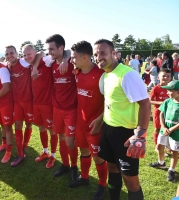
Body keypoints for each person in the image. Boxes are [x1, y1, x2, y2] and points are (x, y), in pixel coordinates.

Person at [93, 39, 150, 200]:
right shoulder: (105, 75)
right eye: (96, 54)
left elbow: (145, 104)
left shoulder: (127, 74)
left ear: (114, 53)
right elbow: (110, 102)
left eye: (102, 53)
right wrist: (100, 120)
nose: (98, 57)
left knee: (131, 181)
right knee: (112, 168)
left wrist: (140, 134)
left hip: (126, 134)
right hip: (109, 130)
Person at [70, 41, 107, 199]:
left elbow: (110, 100)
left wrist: (100, 120)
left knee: (98, 156)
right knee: (83, 150)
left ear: (85, 57)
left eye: (74, 57)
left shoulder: (101, 74)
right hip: (81, 122)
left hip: (95, 125)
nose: (71, 60)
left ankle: (102, 184)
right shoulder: (77, 71)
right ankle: (84, 177)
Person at [45, 34, 79, 187]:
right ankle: (65, 165)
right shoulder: (51, 64)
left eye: (52, 49)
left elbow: (85, 57)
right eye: (48, 49)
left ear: (61, 48)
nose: (49, 52)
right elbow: (36, 56)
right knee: (61, 137)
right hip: (57, 108)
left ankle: (74, 167)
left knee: (70, 141)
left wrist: (67, 58)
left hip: (71, 109)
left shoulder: (73, 63)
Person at [4, 45, 34, 167]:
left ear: (17, 53)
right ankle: (20, 153)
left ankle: (24, 146)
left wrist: (36, 66)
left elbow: (40, 55)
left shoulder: (24, 63)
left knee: (29, 124)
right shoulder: (7, 67)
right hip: (17, 101)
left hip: (29, 100)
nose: (9, 56)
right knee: (17, 125)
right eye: (7, 54)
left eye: (12, 53)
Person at [148, 80, 179, 182]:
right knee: (160, 145)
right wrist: (163, 126)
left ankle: (171, 170)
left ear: (177, 92)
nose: (167, 93)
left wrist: (171, 129)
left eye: (170, 91)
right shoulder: (167, 101)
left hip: (175, 132)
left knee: (175, 151)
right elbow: (161, 113)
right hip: (164, 129)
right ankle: (161, 163)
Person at [148, 68, 171, 152]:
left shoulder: (172, 88)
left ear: (170, 78)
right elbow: (150, 100)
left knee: (168, 128)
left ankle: (167, 146)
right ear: (158, 77)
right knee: (158, 129)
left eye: (168, 76)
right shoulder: (155, 88)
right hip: (158, 112)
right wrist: (162, 103)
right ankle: (157, 146)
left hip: (169, 113)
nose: (166, 78)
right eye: (163, 76)